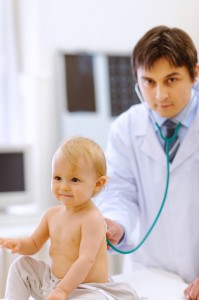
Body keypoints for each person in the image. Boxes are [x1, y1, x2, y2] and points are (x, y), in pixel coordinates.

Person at [95, 25, 199, 300]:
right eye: (149, 82)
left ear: (195, 74)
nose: (160, 95)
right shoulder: (125, 128)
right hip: (151, 276)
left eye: (172, 79)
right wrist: (115, 224)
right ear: (137, 81)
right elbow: (119, 192)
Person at [0, 136, 139, 300]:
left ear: (98, 184)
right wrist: (19, 243)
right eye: (57, 178)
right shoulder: (51, 214)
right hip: (53, 283)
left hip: (87, 289)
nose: (64, 186)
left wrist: (63, 291)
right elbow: (34, 243)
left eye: (74, 180)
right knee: (21, 265)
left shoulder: (92, 219)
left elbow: (86, 260)